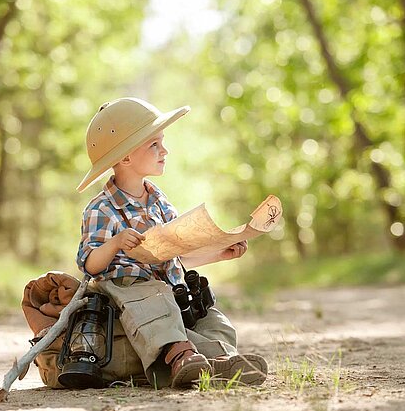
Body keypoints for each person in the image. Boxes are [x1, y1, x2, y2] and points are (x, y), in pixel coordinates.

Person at [72, 97, 267, 389]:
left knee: (213, 320)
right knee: (156, 297)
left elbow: (173, 257)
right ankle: (180, 355)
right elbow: (90, 265)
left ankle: (216, 360)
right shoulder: (101, 209)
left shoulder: (159, 202)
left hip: (169, 294)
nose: (165, 150)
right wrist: (114, 244)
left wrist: (218, 254)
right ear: (125, 158)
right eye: (154, 144)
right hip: (130, 294)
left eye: (162, 142)